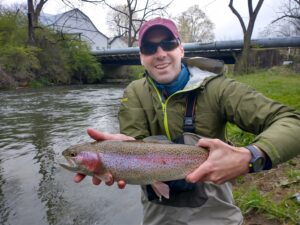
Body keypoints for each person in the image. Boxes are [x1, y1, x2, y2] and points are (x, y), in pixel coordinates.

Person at [74, 17, 300, 225]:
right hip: (158, 212)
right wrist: (120, 152)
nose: (160, 53)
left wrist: (251, 156)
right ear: (141, 57)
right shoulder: (134, 92)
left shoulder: (218, 88)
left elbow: (291, 121)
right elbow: (136, 140)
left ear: (181, 49)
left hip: (215, 212)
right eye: (150, 48)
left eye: (168, 43)